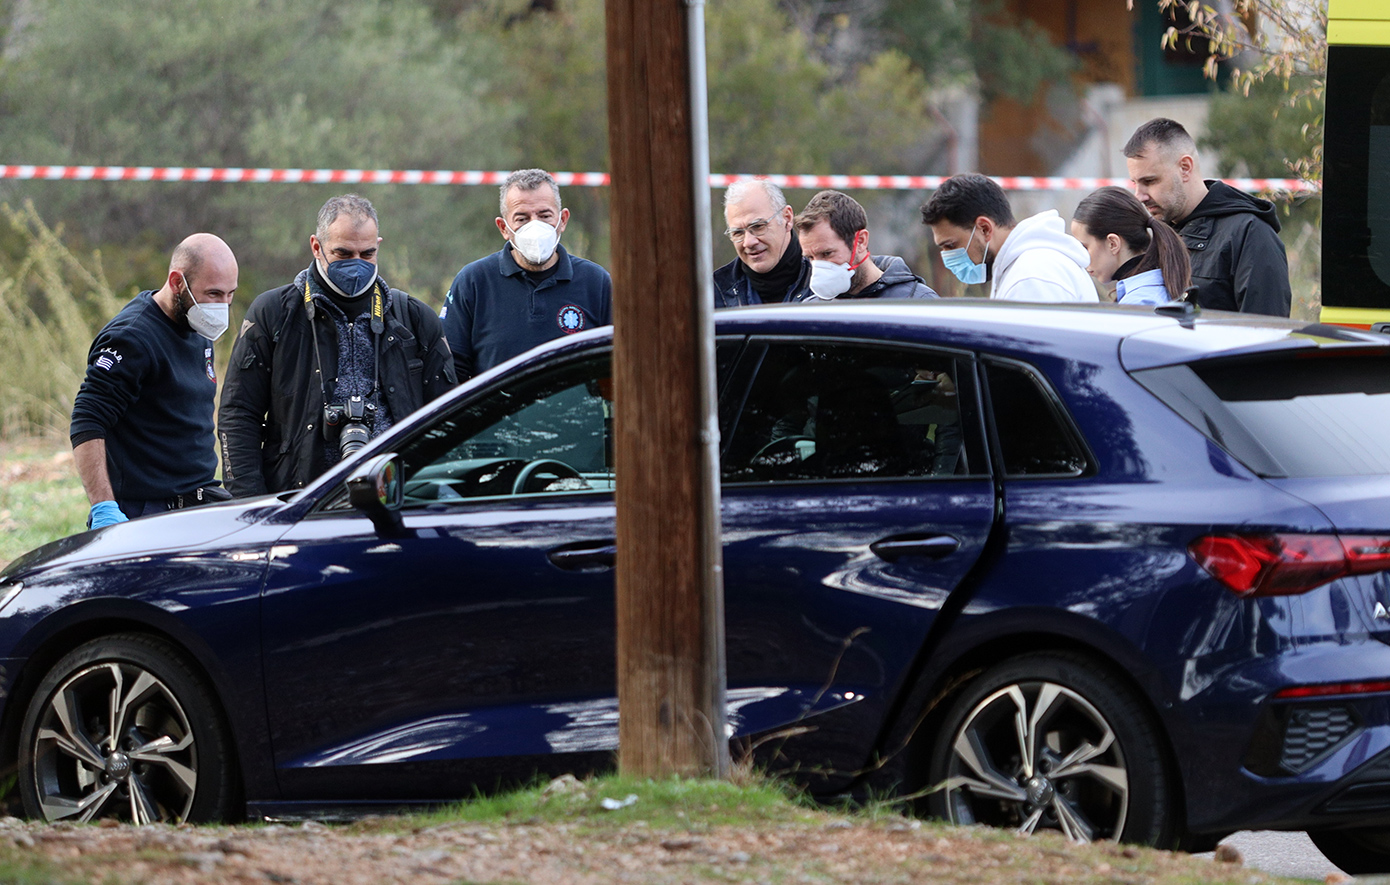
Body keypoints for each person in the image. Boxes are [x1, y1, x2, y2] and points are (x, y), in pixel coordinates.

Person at [218, 194, 455, 497]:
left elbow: (446, 415)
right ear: (316, 246)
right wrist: (250, 504)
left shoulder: (414, 319)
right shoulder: (274, 314)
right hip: (300, 500)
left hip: (398, 497)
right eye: (343, 253)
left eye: (367, 254)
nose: (356, 265)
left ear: (378, 245)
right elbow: (238, 414)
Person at [70, 234, 238, 528]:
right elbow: (87, 421)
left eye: (230, 294)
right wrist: (104, 508)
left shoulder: (195, 322)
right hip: (146, 513)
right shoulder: (132, 338)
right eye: (213, 294)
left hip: (199, 501)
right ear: (177, 282)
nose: (222, 306)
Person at [441, 169, 612, 382]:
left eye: (545, 216)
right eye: (522, 218)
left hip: (576, 415)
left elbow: (617, 364)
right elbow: (450, 371)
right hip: (501, 415)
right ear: (504, 227)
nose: (535, 226)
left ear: (563, 220)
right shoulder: (474, 282)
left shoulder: (596, 282)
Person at [1123, 117, 1291, 316]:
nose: (1139, 196)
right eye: (1135, 183)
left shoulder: (1249, 234)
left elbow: (1266, 333)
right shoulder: (1160, 235)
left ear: (1185, 168)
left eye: (1149, 181)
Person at [919, 173, 1098, 302]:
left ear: (984, 228)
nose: (947, 257)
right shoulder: (1024, 269)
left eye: (950, 245)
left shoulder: (1031, 277)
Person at [793, 190, 939, 300]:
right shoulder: (812, 310)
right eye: (810, 257)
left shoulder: (916, 302)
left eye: (827, 254)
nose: (819, 267)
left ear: (861, 241)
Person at [1071, 185, 1190, 305]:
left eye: (1085, 247)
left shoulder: (1139, 302)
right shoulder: (1156, 287)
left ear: (1113, 243)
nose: (1082, 258)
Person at [715, 179, 812, 306]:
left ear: (787, 219)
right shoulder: (714, 293)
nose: (748, 242)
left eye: (758, 226)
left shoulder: (825, 281)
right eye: (738, 233)